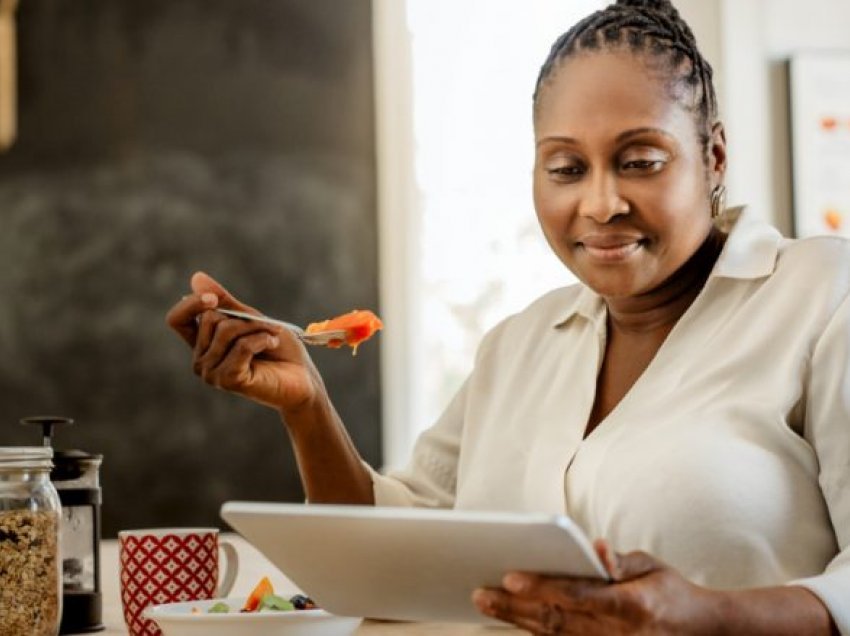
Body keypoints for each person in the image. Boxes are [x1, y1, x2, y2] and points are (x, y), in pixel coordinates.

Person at [166, 0, 849, 633]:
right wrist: (307, 406)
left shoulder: (821, 297)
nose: (601, 202)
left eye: (639, 160)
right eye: (566, 168)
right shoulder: (518, 346)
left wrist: (705, 616)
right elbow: (386, 552)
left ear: (714, 155)